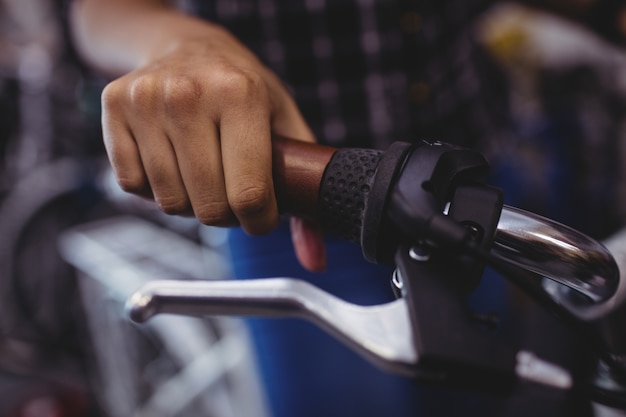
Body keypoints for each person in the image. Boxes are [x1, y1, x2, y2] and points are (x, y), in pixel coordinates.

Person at [68, 1, 626, 416]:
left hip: (475, 188)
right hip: (301, 208)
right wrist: (182, 46)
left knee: (486, 398)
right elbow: (98, 12)